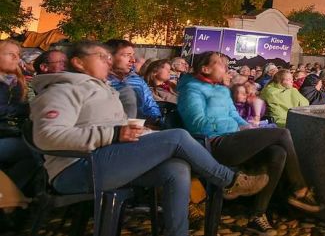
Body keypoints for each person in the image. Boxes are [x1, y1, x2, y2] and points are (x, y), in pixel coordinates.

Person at [33, 42, 267, 236]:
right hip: (78, 169)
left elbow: (112, 128)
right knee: (177, 137)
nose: (108, 60)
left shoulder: (104, 90)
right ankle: (227, 179)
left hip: (105, 158)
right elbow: (47, 136)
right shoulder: (62, 90)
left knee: (176, 168)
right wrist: (114, 134)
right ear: (78, 62)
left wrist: (140, 134)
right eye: (101, 56)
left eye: (108, 56)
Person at [177, 51, 323, 234]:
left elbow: (234, 116)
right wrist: (235, 128)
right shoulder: (191, 90)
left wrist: (247, 127)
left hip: (233, 139)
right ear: (205, 69)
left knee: (278, 153)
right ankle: (299, 189)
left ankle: (258, 215)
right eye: (219, 63)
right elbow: (197, 124)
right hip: (214, 144)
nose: (224, 66)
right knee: (282, 134)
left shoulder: (221, 90)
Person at [0, 40, 38, 196]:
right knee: (36, 153)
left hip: (11, 133)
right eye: (11, 54)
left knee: (35, 157)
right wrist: (29, 108)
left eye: (18, 55)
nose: (17, 58)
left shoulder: (14, 81)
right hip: (4, 135)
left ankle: (9, 196)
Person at [105, 39, 162, 123]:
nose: (133, 60)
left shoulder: (137, 80)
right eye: (127, 55)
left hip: (141, 126)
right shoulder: (100, 81)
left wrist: (157, 121)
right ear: (110, 57)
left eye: (133, 55)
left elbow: (150, 104)